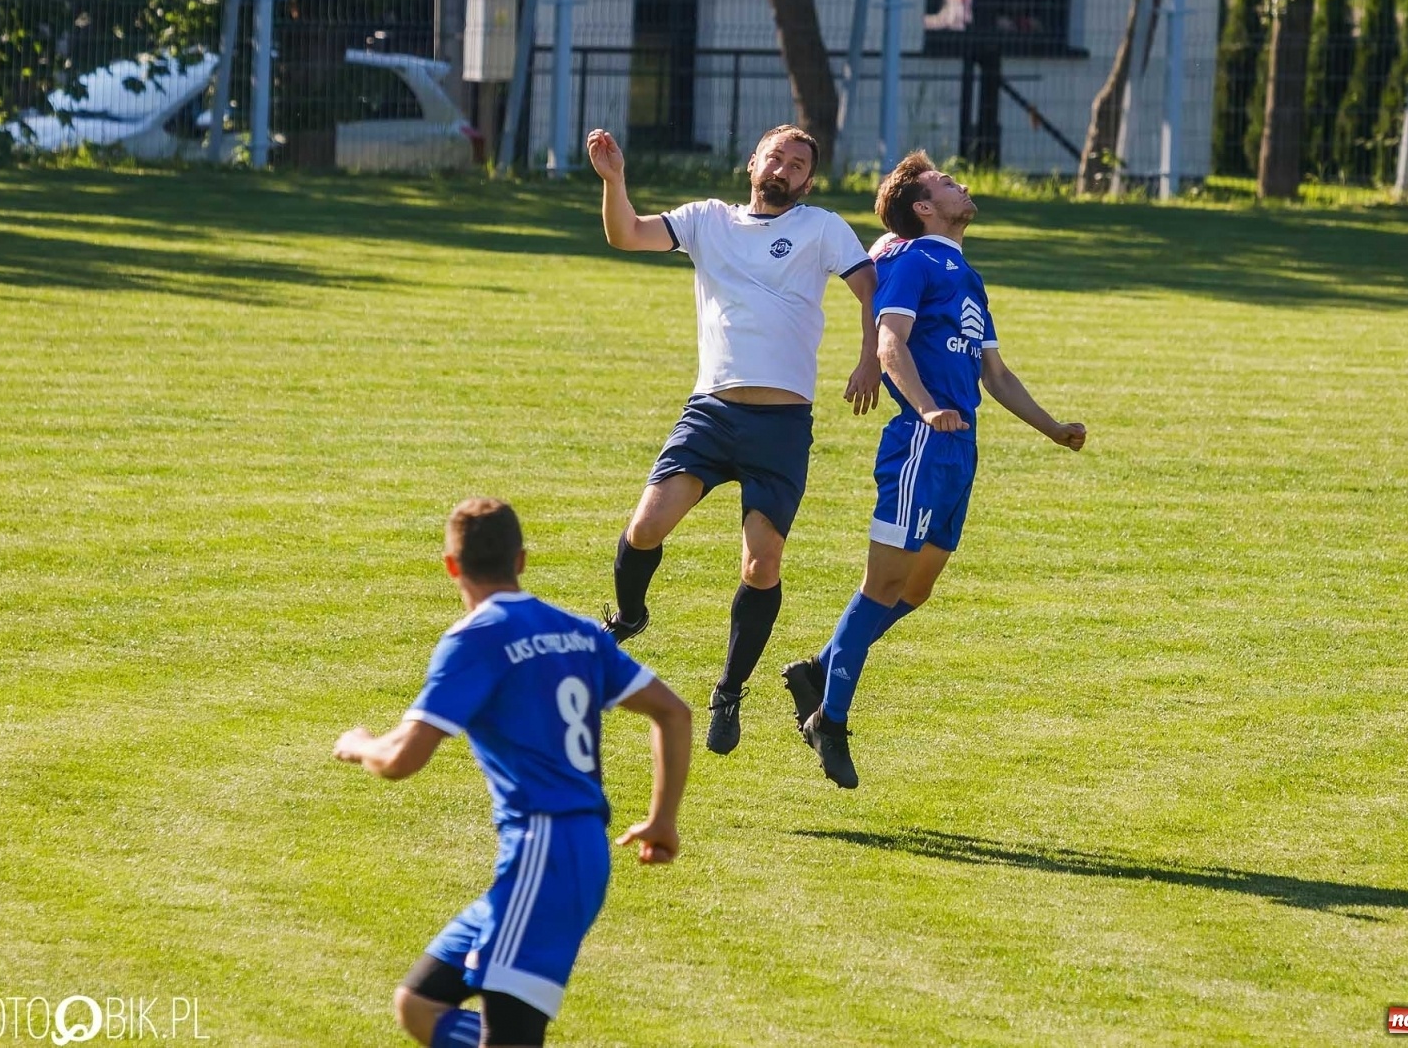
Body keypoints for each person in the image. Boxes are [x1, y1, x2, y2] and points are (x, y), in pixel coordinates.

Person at [333, 498, 691, 1048]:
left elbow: (403, 759)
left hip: (542, 852)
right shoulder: (578, 632)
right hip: (576, 853)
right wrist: (662, 819)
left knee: (510, 1039)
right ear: (521, 560)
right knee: (420, 1004)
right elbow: (673, 712)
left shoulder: (475, 638)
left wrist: (359, 745)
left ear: (451, 565)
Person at [782, 151, 1088, 790]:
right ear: (924, 208)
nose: (964, 185)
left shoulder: (967, 275)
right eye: (947, 182)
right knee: (881, 585)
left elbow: (995, 374)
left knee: (915, 589)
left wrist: (1054, 428)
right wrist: (926, 409)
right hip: (922, 443)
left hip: (958, 452)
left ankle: (822, 666)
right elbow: (891, 341)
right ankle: (828, 720)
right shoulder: (917, 259)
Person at [585, 123, 882, 757]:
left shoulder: (822, 227)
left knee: (761, 564)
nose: (784, 168)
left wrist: (870, 359)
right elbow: (627, 234)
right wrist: (615, 182)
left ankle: (729, 689)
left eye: (798, 164)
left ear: (808, 181)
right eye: (776, 156)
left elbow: (869, 287)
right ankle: (630, 615)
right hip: (711, 412)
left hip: (780, 426)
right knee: (645, 527)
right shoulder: (706, 220)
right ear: (753, 162)